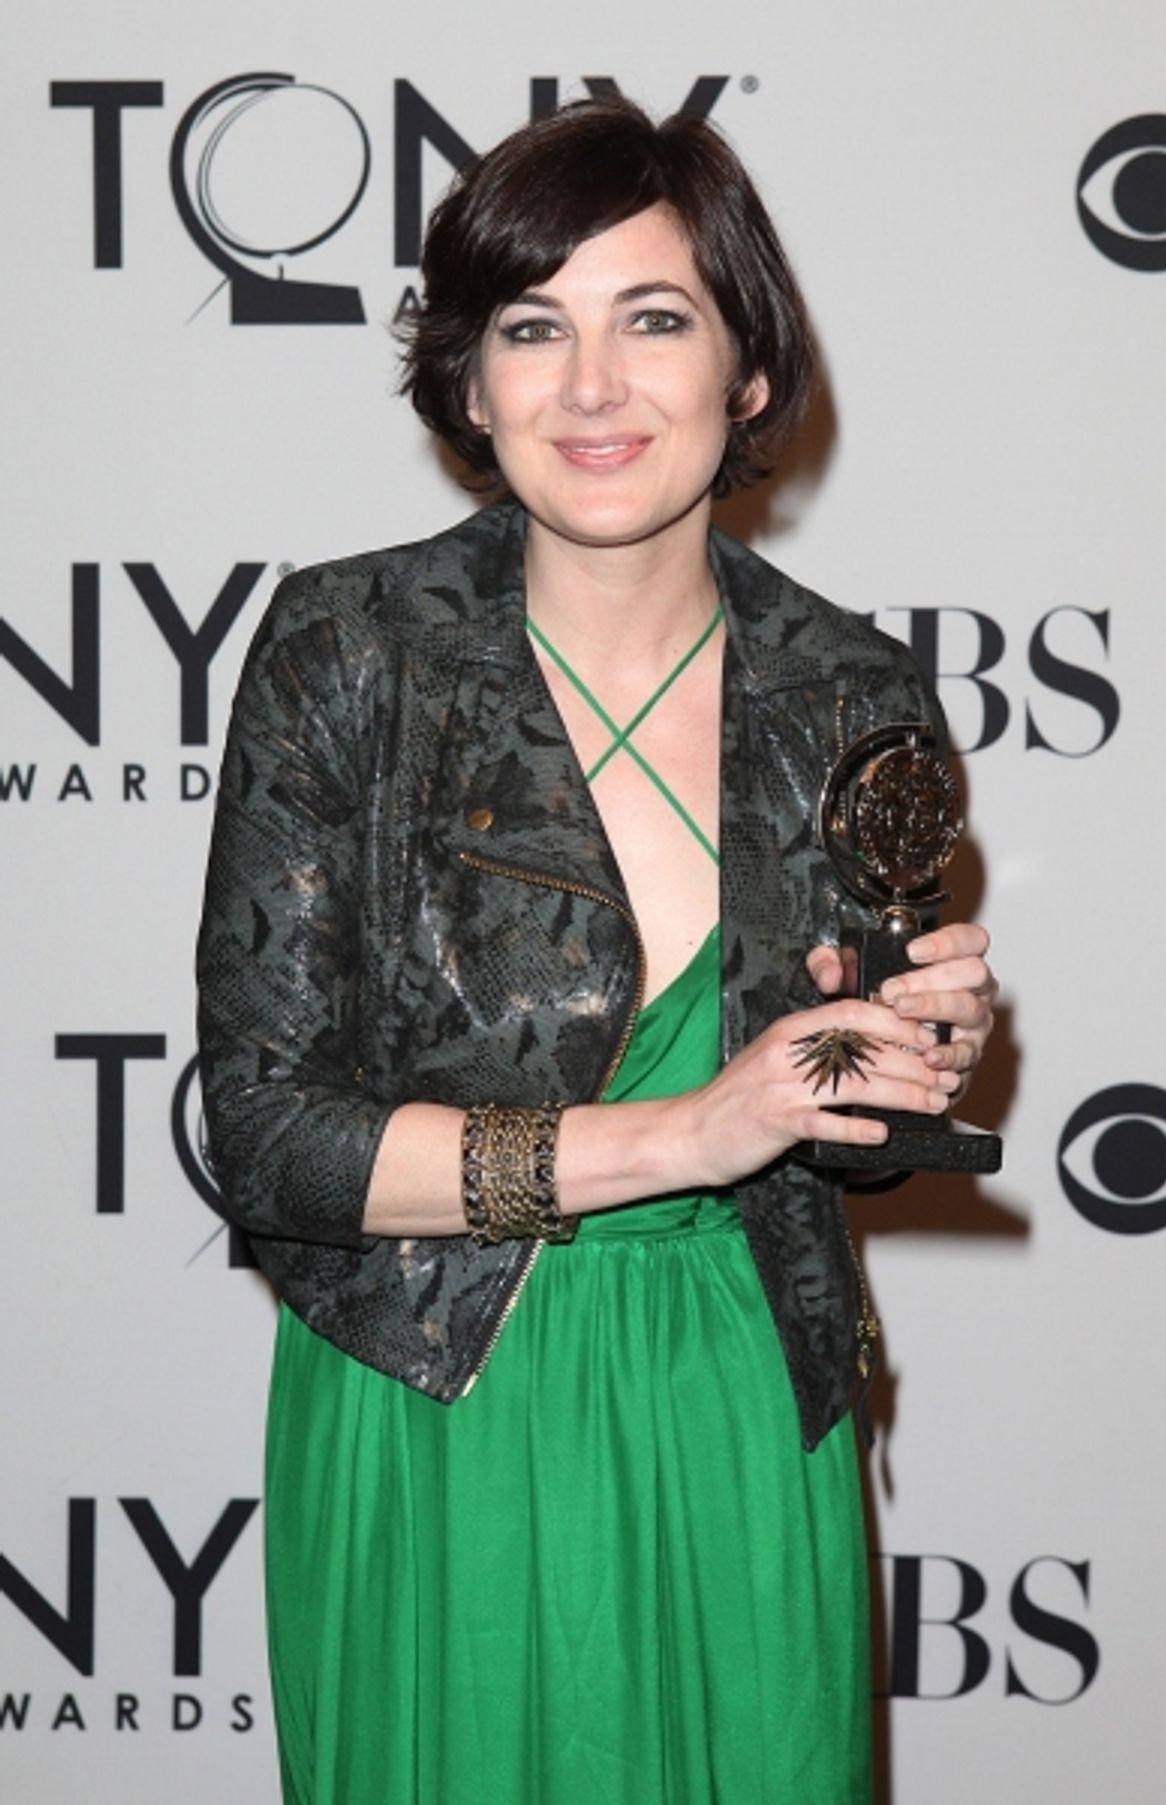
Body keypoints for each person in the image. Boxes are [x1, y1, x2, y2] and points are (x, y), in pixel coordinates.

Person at [197, 96, 996, 1805]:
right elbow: (264, 1136)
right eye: (531, 328)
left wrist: (898, 1060)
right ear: (470, 384)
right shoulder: (347, 654)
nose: (590, 388)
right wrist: (684, 1134)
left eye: (654, 320)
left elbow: (837, 1132)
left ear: (748, 369)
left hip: (734, 1390)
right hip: (438, 1398)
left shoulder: (848, 691)